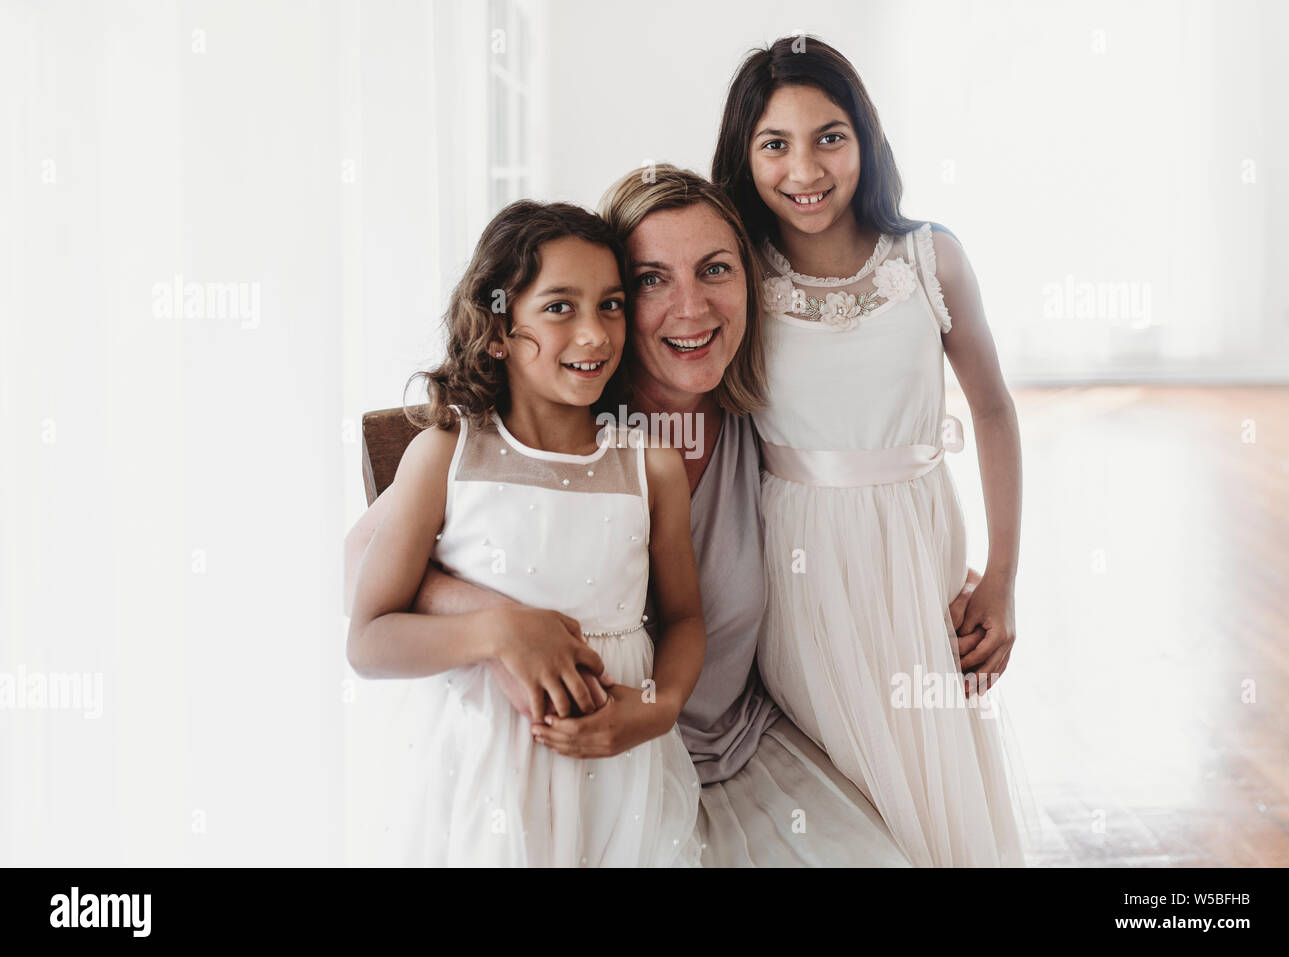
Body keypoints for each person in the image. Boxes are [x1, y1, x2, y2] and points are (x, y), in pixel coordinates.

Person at [345, 167, 983, 866]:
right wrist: (499, 622)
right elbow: (367, 577)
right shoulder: (515, 439)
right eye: (651, 280)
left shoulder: (763, 421)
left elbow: (863, 493)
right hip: (549, 777)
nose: (690, 307)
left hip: (727, 757)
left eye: (715, 269)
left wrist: (938, 572)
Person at [711, 36, 1032, 866]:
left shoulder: (930, 259)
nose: (805, 169)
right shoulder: (740, 271)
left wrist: (1000, 578)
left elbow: (993, 410)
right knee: (844, 774)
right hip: (798, 561)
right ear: (746, 158)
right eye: (774, 143)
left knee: (928, 767)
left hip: (917, 547)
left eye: (829, 136)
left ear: (865, 138)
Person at [346, 199, 704, 866]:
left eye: (612, 304)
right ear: (498, 329)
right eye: (561, 307)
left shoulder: (650, 466)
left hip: (617, 772)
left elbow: (685, 619)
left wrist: (659, 706)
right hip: (480, 771)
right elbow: (368, 638)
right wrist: (495, 632)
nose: (596, 334)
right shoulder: (448, 453)